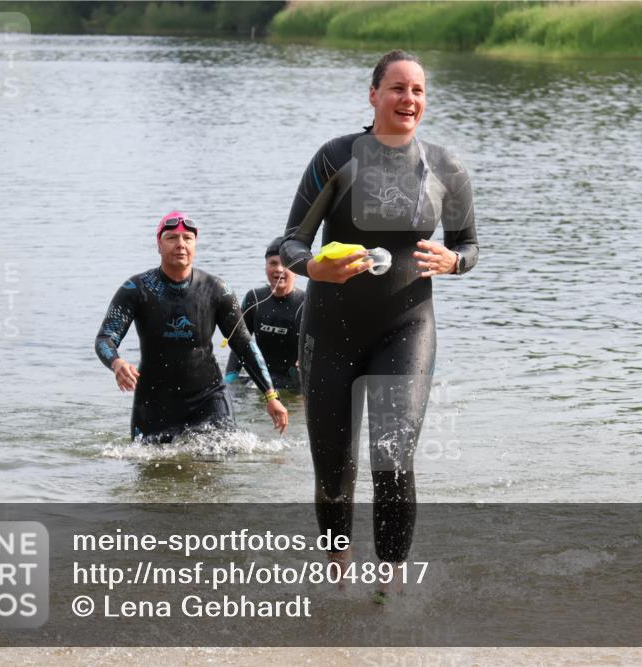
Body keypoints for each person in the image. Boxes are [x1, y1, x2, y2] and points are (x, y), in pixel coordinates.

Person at [279, 50, 478, 599]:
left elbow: (469, 246)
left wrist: (454, 261)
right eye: (397, 88)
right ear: (373, 95)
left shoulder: (446, 168)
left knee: (393, 459)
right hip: (330, 329)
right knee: (333, 469)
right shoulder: (336, 157)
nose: (408, 99)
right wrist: (312, 267)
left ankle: (390, 591)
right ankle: (339, 582)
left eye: (418, 90)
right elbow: (291, 241)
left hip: (406, 327)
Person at [95, 211, 288, 443]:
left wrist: (270, 396)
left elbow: (243, 344)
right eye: (171, 238)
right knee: (148, 462)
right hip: (154, 401)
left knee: (225, 452)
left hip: (209, 397)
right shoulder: (136, 289)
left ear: (195, 244)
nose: (180, 244)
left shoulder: (217, 289)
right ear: (159, 245)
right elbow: (105, 338)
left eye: (187, 238)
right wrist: (116, 363)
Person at [224, 236, 305, 392]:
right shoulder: (254, 299)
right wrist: (229, 380)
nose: (279, 269)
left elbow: (320, 349)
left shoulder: (306, 304)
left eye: (285, 264)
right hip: (261, 382)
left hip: (294, 386)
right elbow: (239, 344)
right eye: (273, 263)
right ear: (266, 266)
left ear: (296, 270)